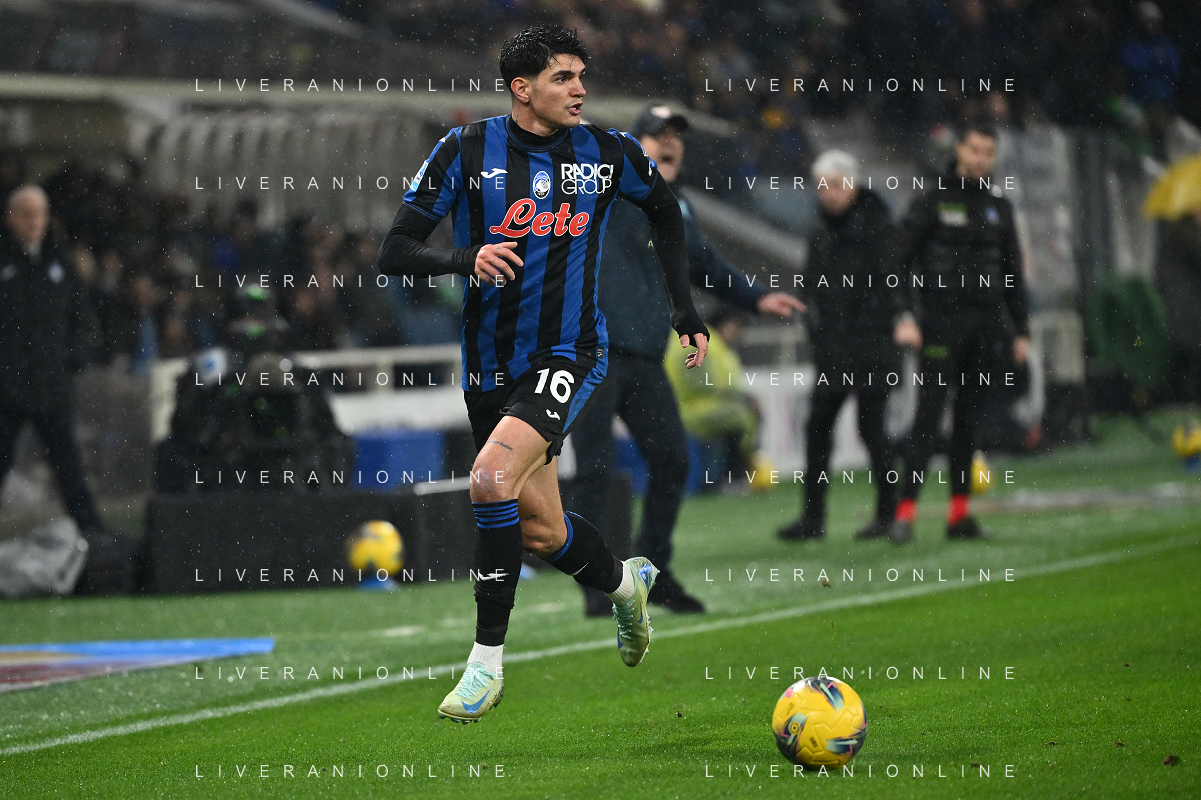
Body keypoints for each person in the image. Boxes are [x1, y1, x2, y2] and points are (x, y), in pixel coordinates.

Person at [375, 25, 710, 723]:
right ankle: (625, 587)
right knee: (540, 531)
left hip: (569, 352)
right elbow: (395, 249)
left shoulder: (607, 152)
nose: (580, 89)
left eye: (582, 76)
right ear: (521, 88)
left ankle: (485, 664)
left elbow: (665, 212)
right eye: (563, 77)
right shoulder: (465, 150)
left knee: (489, 479)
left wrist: (684, 309)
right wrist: (463, 259)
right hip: (488, 366)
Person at [570, 104, 803, 615]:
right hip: (592, 353)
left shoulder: (676, 205)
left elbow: (705, 264)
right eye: (658, 134)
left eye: (677, 134)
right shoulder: (604, 183)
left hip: (644, 356)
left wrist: (756, 297)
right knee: (594, 470)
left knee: (673, 460)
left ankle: (652, 571)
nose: (671, 142)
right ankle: (595, 582)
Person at [889, 123, 1030, 544]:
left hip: (985, 328)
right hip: (939, 325)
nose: (980, 158)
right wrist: (904, 315)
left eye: (988, 151)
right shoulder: (931, 201)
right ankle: (905, 513)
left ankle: (959, 516)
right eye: (974, 149)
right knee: (928, 418)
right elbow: (897, 263)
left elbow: (1012, 273)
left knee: (970, 421)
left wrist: (1021, 330)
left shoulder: (1000, 208)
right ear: (958, 151)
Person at [777, 150, 920, 541]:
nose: (828, 193)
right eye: (822, 186)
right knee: (818, 429)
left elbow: (895, 279)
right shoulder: (820, 233)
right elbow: (811, 287)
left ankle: (887, 512)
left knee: (872, 430)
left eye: (836, 185)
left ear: (853, 184)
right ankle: (813, 517)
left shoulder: (880, 228)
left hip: (873, 344)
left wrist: (902, 317)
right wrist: (815, 328)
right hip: (834, 348)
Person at [0, 187, 110, 559]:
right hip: (6, 390)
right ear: (10, 218)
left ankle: (93, 536)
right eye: (26, 214)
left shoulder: (61, 264)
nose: (33, 222)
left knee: (69, 467)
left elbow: (81, 320)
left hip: (50, 387)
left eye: (39, 214)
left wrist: (72, 359)